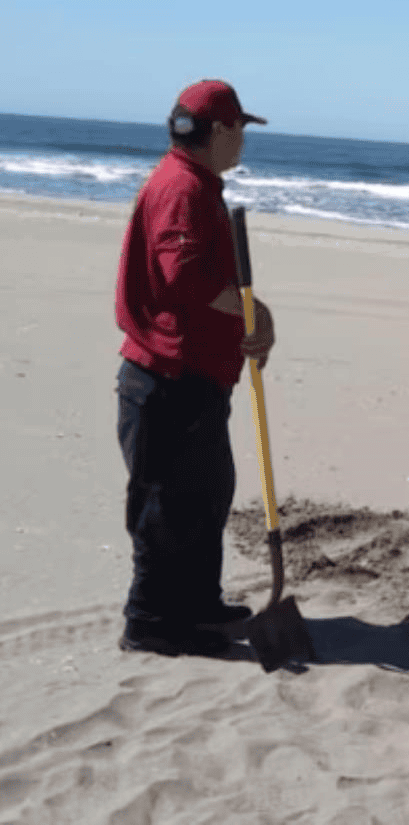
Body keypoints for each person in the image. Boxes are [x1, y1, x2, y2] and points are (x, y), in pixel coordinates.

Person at [114, 80, 276, 656]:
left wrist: (246, 325)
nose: (242, 143)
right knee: (167, 507)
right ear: (221, 131)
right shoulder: (182, 187)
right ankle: (151, 621)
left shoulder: (197, 184)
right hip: (167, 379)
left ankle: (197, 605)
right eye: (239, 131)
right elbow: (182, 277)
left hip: (196, 376)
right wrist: (252, 309)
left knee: (206, 495)